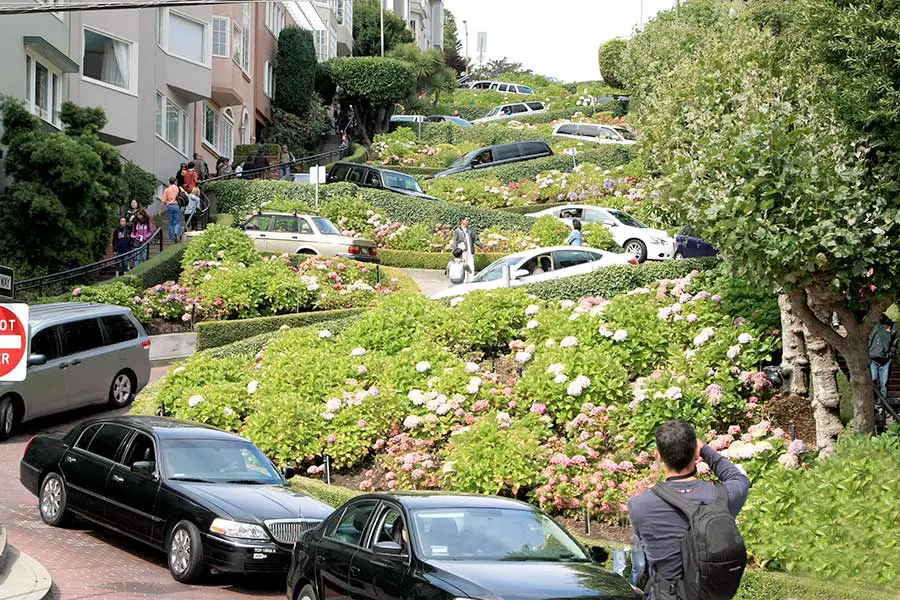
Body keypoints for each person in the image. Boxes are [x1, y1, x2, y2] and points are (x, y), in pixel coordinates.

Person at [628, 420, 750, 600]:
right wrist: (706, 450)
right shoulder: (722, 497)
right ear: (696, 453)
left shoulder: (639, 506)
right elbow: (737, 478)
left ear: (658, 455)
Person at [869, 314, 899, 400]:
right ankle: (874, 402)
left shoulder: (891, 326)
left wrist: (891, 352)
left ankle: (881, 406)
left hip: (885, 360)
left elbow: (895, 340)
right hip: (872, 358)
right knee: (873, 380)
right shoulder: (870, 324)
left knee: (884, 384)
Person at [452, 217, 482, 283]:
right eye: (466, 220)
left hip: (470, 251)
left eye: (468, 220)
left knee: (471, 265)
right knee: (463, 265)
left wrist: (482, 246)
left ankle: (471, 280)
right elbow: (455, 241)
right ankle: (463, 279)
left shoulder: (471, 230)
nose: (468, 221)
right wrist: (455, 252)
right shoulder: (457, 231)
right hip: (462, 252)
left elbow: (475, 240)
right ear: (462, 221)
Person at [162, 177, 182, 243]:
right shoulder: (177, 188)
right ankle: (176, 232)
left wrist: (160, 209)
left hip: (169, 206)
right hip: (176, 205)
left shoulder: (166, 190)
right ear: (175, 181)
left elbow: (163, 201)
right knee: (178, 222)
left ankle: (171, 239)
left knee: (171, 223)